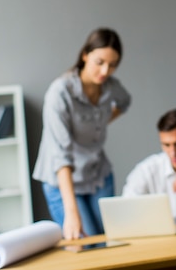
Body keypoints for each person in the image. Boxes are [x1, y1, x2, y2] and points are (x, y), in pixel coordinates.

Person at [32, 27, 131, 240]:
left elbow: (125, 102)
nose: (105, 71)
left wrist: (101, 122)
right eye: (100, 62)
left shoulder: (111, 87)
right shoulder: (60, 92)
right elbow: (61, 158)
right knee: (85, 242)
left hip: (97, 173)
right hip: (63, 179)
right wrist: (71, 212)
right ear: (85, 55)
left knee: (110, 241)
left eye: (112, 65)